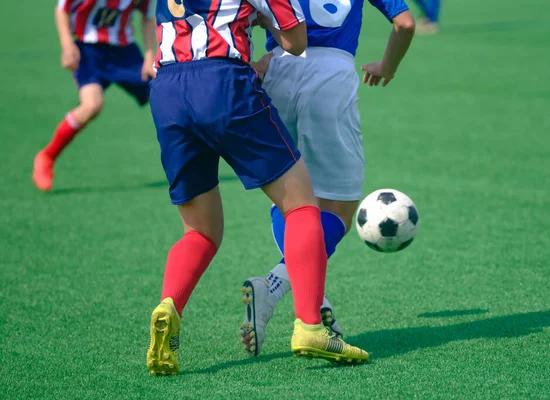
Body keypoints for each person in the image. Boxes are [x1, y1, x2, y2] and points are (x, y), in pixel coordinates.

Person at [145, 0, 368, 376]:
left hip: (167, 91)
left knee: (200, 231)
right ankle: (310, 327)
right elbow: (296, 42)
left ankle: (168, 306)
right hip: (223, 82)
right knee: (300, 203)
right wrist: (265, 21)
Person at [239, 0, 415, 356]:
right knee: (341, 209)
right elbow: (406, 24)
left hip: (277, 70)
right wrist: (387, 66)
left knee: (291, 197)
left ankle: (309, 292)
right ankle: (273, 289)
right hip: (330, 76)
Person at [32, 0, 157, 191]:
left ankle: (196, 153)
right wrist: (67, 46)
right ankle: (47, 156)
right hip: (88, 50)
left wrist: (150, 57)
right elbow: (62, 10)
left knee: (162, 94)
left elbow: (148, 17)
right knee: (91, 106)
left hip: (125, 53)